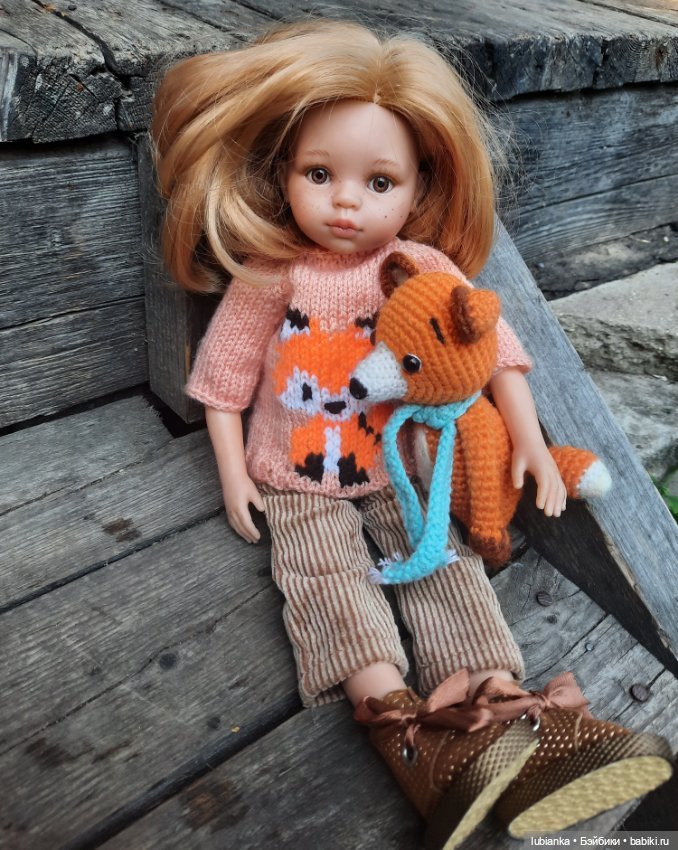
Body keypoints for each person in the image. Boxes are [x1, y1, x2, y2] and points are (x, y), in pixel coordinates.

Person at [151, 20, 672, 849]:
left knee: (445, 567)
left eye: (379, 181)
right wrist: (233, 473)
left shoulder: (424, 268)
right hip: (293, 474)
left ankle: (509, 720)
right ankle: (406, 734)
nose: (346, 201)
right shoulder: (275, 276)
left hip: (404, 468)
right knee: (325, 581)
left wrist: (531, 446)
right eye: (319, 174)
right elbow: (223, 380)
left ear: (419, 183)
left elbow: (499, 354)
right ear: (284, 173)